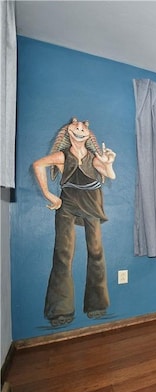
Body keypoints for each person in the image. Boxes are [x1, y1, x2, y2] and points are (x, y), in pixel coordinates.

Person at [33, 118, 116, 326]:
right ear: (68, 132)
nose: (80, 129)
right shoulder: (62, 155)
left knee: (96, 251)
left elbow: (110, 175)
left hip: (92, 202)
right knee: (63, 253)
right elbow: (38, 164)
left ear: (89, 134)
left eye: (83, 128)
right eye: (76, 127)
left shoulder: (94, 157)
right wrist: (49, 195)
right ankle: (61, 312)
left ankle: (97, 305)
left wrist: (108, 163)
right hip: (68, 202)